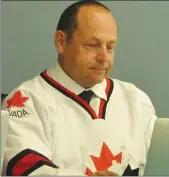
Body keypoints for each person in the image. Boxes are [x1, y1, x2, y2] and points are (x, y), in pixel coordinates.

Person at [1, 0, 157, 176]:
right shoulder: (26, 101)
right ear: (61, 42)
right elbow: (24, 169)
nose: (104, 57)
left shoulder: (136, 101)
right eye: (93, 45)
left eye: (110, 47)